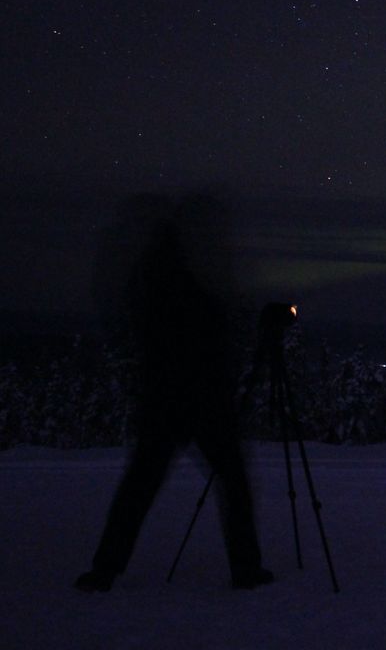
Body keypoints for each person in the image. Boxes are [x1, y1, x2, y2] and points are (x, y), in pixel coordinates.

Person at [75, 193, 271, 591]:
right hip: (199, 393)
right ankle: (246, 568)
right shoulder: (197, 268)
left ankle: (106, 568)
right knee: (230, 481)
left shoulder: (155, 266)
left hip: (164, 393)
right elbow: (213, 326)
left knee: (142, 484)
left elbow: (137, 322)